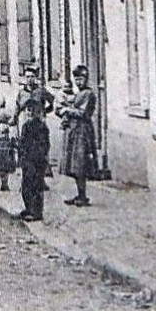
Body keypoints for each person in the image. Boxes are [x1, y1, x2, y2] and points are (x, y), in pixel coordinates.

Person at [60, 65, 98, 207]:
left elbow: (82, 113)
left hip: (83, 132)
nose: (78, 82)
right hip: (75, 130)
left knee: (80, 164)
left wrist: (67, 110)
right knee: (75, 165)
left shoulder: (88, 94)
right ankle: (80, 194)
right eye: (76, 79)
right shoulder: (78, 93)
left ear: (86, 79)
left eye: (81, 79)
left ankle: (83, 196)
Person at [18, 98, 51, 221]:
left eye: (33, 111)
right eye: (28, 110)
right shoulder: (25, 125)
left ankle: (37, 212)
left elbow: (45, 145)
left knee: (36, 186)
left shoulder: (41, 127)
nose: (30, 113)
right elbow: (22, 143)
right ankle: (28, 208)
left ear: (37, 112)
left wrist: (40, 157)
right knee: (26, 185)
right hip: (27, 160)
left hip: (37, 161)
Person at [0, 95, 17, 193]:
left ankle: (3, 181)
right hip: (6, 143)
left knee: (0, 164)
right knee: (7, 163)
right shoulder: (6, 112)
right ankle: (5, 182)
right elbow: (13, 121)